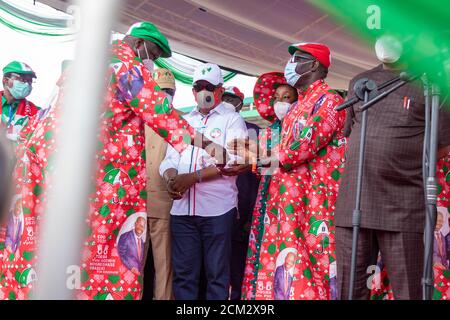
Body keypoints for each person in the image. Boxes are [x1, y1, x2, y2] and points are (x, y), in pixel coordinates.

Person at [0, 21, 225, 301]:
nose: (151, 63)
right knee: (99, 247)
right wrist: (209, 145)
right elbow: (159, 110)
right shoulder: (123, 64)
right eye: (152, 55)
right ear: (139, 44)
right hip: (82, 170)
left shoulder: (90, 61)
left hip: (48, 164)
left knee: (45, 240)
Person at [334, 34, 450, 300]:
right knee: (349, 290)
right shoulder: (360, 82)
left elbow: (442, 146)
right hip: (355, 201)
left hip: (403, 206)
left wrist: (401, 159)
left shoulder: (430, 83)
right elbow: (351, 133)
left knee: (409, 289)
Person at [229, 43, 346, 300]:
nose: (290, 65)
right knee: (287, 266)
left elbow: (302, 147)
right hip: (285, 203)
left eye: (297, 59)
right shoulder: (299, 107)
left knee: (314, 265)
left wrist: (257, 157)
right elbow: (281, 159)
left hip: (314, 203)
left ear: (314, 65)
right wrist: (250, 160)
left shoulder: (330, 101)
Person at [160, 63, 248, 300]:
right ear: (192, 91)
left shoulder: (233, 120)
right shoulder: (183, 122)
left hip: (218, 210)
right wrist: (171, 179)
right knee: (184, 276)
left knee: (217, 276)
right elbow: (168, 159)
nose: (204, 91)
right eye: (199, 87)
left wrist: (192, 178)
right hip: (182, 212)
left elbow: (234, 161)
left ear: (220, 89)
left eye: (209, 87)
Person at [239, 72, 297, 300]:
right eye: (277, 97)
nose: (281, 102)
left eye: (287, 97)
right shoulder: (267, 132)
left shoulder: (300, 130)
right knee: (266, 248)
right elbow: (261, 169)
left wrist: (263, 158)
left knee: (289, 250)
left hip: (292, 199)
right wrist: (249, 157)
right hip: (268, 197)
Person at [221, 86, 261, 300]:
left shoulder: (254, 129)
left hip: (243, 211)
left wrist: (252, 215)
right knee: (216, 269)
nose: (228, 102)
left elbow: (261, 173)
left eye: (233, 99)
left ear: (240, 104)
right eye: (225, 97)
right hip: (216, 210)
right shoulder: (211, 127)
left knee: (238, 270)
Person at [143, 68, 177, 300]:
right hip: (135, 205)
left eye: (169, 91)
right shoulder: (136, 119)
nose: (165, 95)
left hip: (164, 205)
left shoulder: (177, 123)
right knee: (132, 264)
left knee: (165, 267)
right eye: (160, 90)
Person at [1, 61, 39, 144]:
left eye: (30, 81)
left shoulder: (36, 112)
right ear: (5, 81)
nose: (27, 84)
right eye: (22, 79)